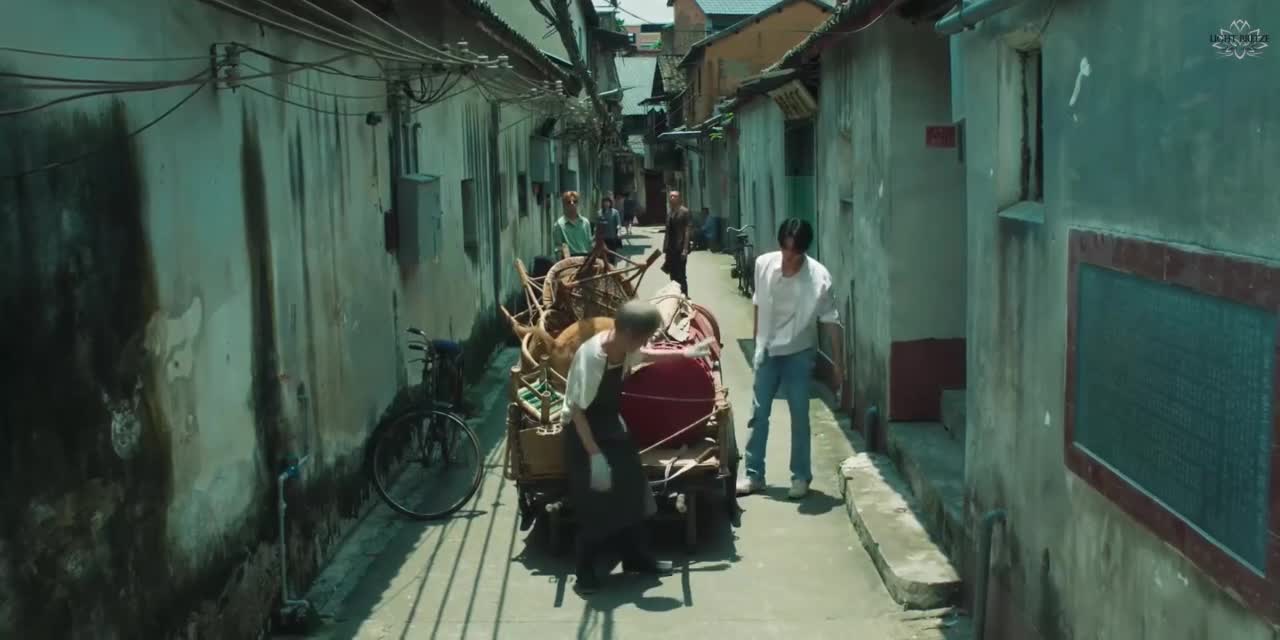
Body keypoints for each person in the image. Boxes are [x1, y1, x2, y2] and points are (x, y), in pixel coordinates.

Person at [563, 300, 714, 594]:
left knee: (633, 492)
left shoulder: (623, 346)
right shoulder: (592, 358)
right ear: (630, 334)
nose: (645, 344)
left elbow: (646, 355)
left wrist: (683, 354)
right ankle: (584, 573)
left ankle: (636, 558)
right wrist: (595, 455)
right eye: (644, 337)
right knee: (596, 505)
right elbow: (577, 411)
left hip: (610, 425)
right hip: (583, 434)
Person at [736, 218, 844, 500]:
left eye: (794, 253)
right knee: (759, 413)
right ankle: (753, 475)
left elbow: (831, 321)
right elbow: (758, 303)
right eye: (784, 250)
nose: (788, 257)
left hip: (799, 352)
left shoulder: (819, 278)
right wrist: (758, 343)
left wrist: (838, 364)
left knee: (799, 415)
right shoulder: (763, 264)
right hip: (768, 350)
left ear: (804, 251)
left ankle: (800, 476)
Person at [661, 191, 692, 296]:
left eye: (675, 196)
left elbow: (687, 231)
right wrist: (665, 249)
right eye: (671, 196)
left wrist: (685, 249)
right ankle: (675, 296)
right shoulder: (670, 212)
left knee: (681, 274)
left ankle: (684, 296)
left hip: (680, 248)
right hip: (670, 249)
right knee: (672, 274)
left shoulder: (684, 212)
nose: (672, 198)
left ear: (679, 199)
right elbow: (668, 232)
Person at [552, 191, 594, 256]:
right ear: (564, 205)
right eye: (569, 202)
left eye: (575, 201)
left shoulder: (585, 222)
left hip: (585, 257)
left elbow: (589, 243)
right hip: (568, 258)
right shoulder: (559, 224)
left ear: (578, 204)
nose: (572, 204)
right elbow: (559, 248)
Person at [596, 196, 623, 264]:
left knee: (611, 255)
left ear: (610, 203)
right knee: (602, 256)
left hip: (612, 237)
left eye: (608, 202)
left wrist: (619, 232)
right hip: (602, 238)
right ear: (602, 203)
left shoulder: (615, 212)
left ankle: (612, 267)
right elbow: (597, 225)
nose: (606, 204)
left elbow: (618, 224)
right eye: (605, 202)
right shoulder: (599, 212)